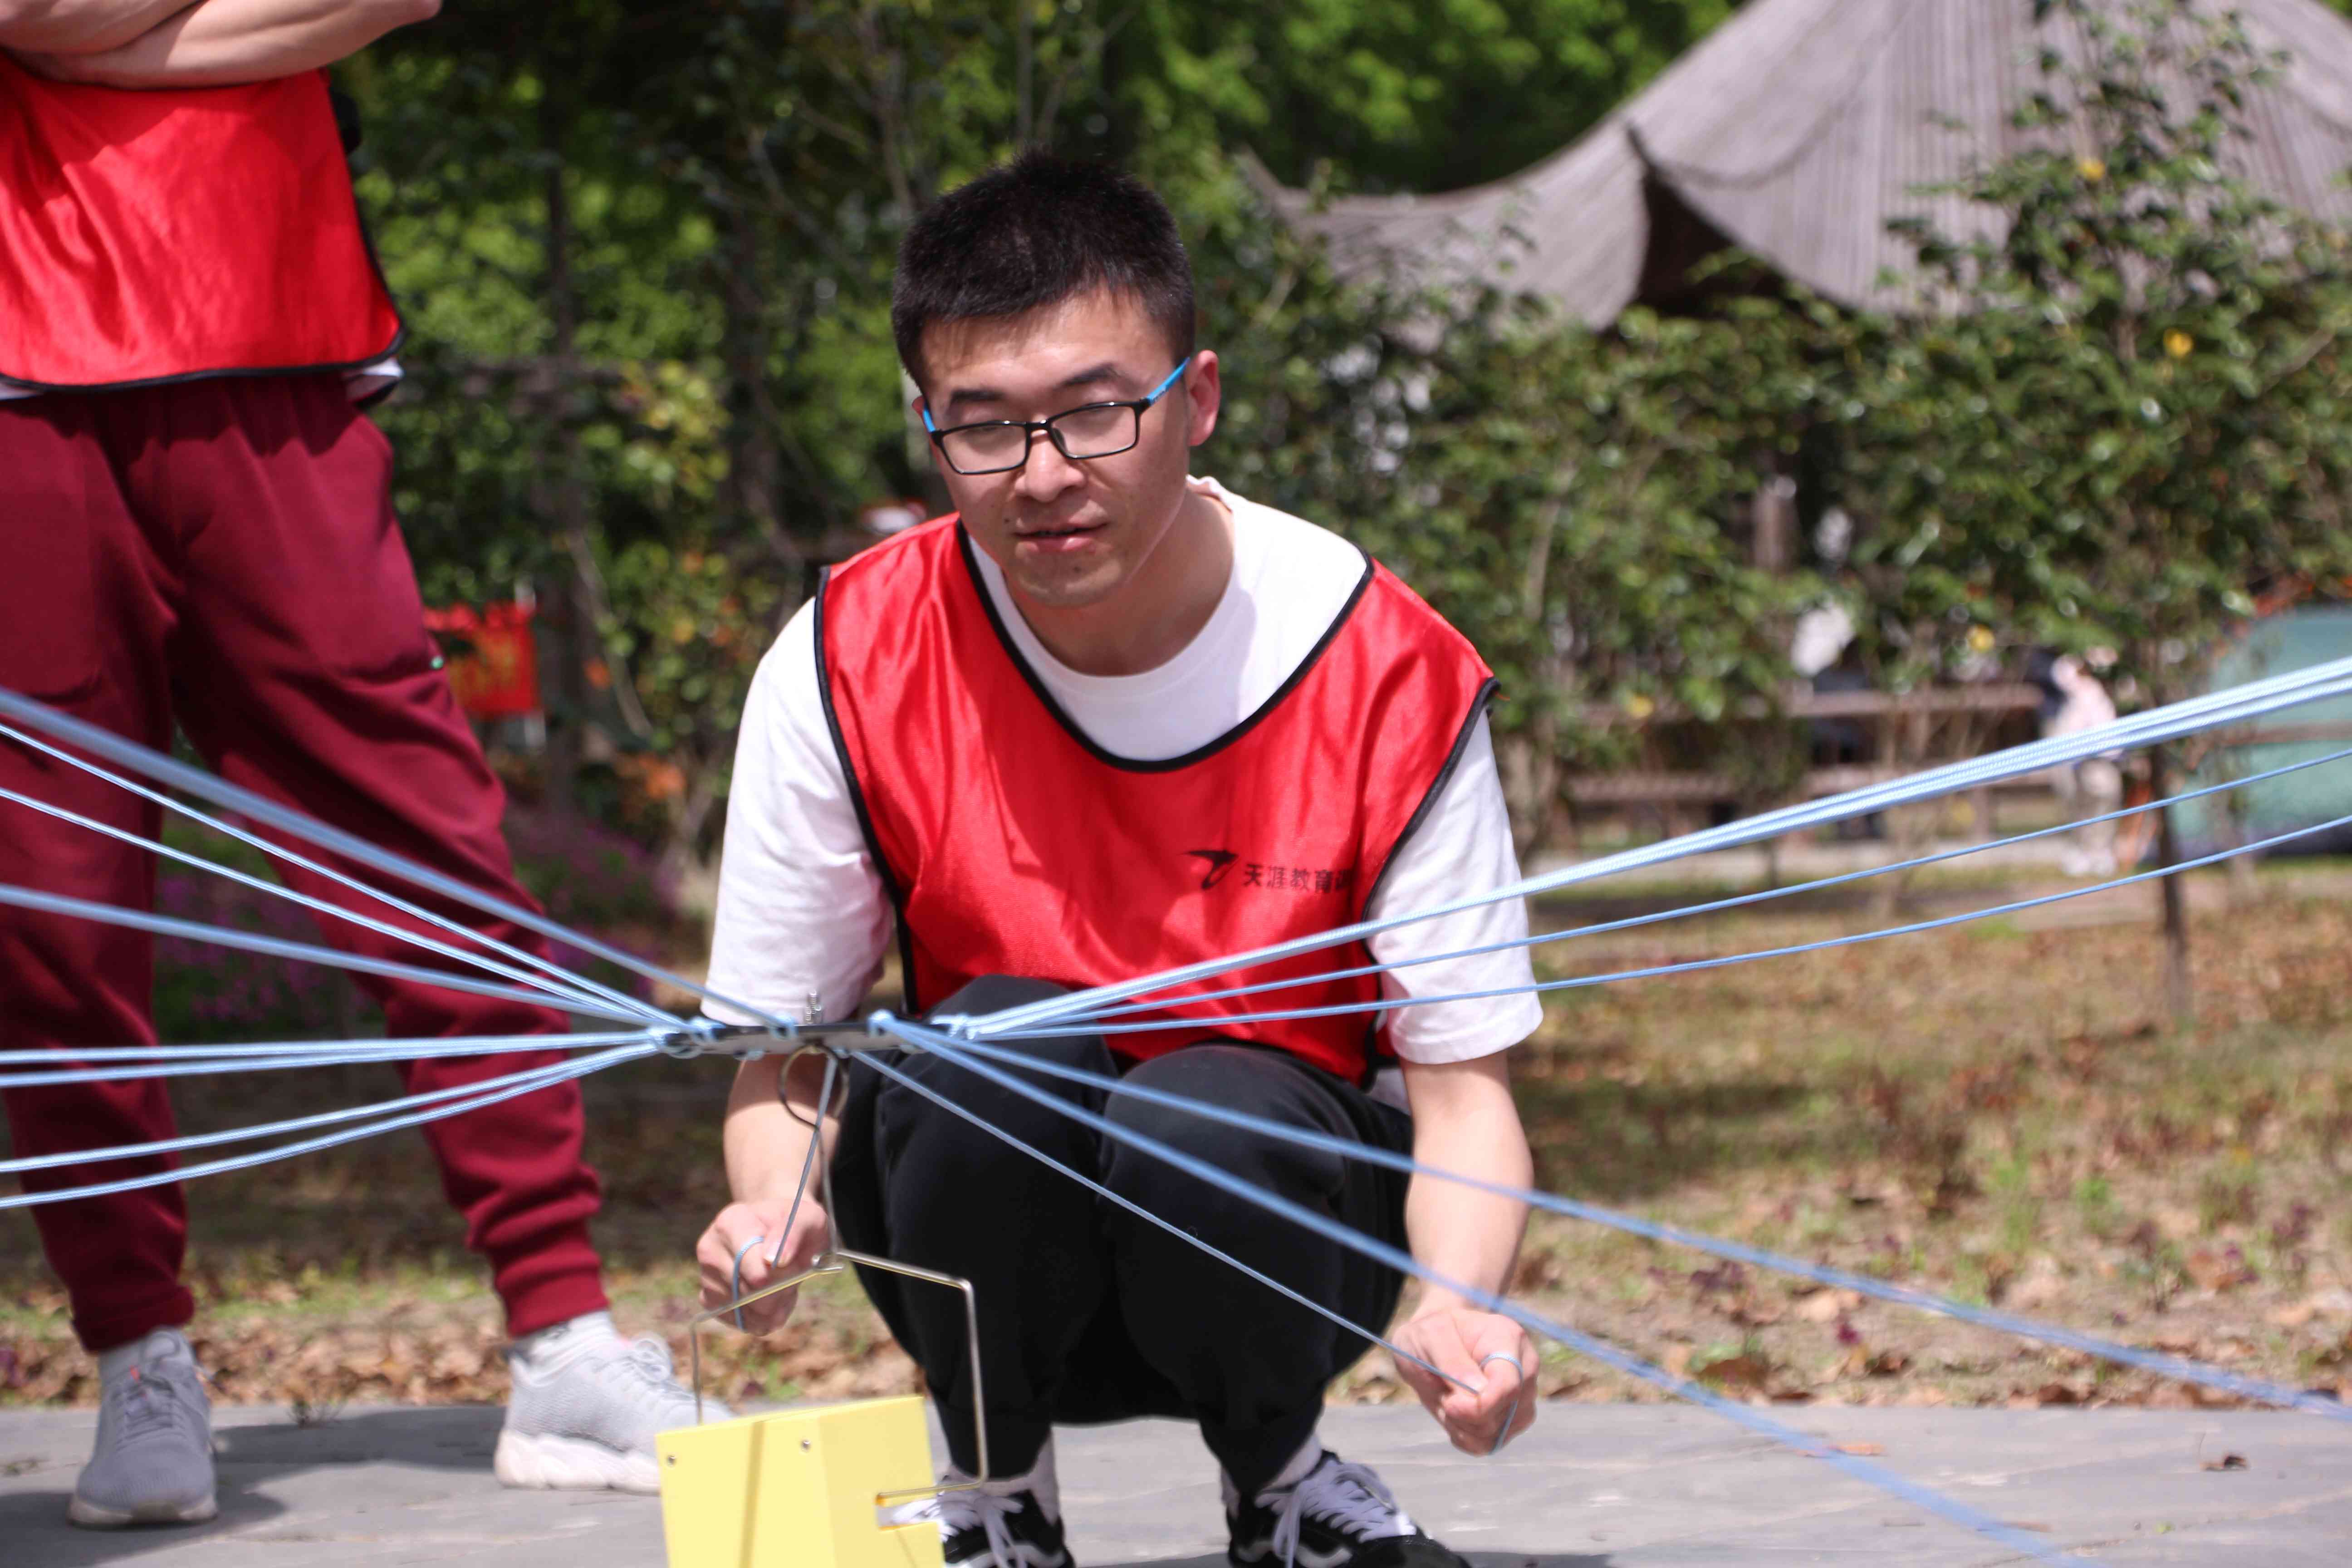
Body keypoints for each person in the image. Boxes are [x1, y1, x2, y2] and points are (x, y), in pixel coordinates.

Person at [694, 155, 1544, 1568]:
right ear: (928, 428)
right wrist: (764, 1215)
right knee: (980, 1052)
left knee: (1203, 1117)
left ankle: (1282, 1491)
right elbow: (785, 1062)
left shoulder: (1383, 665)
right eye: (983, 428)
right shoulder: (848, 657)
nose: (1044, 478)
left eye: (1095, 413)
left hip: (1287, 1249)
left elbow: (1464, 1095)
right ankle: (996, 1496)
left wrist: (1456, 1301)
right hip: (982, 1260)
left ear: (1194, 399)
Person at [0, 0, 711, 1529]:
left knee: (424, 836)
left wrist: (78, 38)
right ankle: (138, 1352)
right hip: (18, 372)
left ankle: (563, 1323)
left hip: (280, 327)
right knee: (52, 907)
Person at [2030, 651, 2125, 875]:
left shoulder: (2098, 691)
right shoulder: (2066, 686)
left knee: (2104, 800)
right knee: (2075, 802)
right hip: (2071, 754)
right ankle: (2081, 851)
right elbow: (2054, 674)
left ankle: (2101, 852)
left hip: (2101, 756)